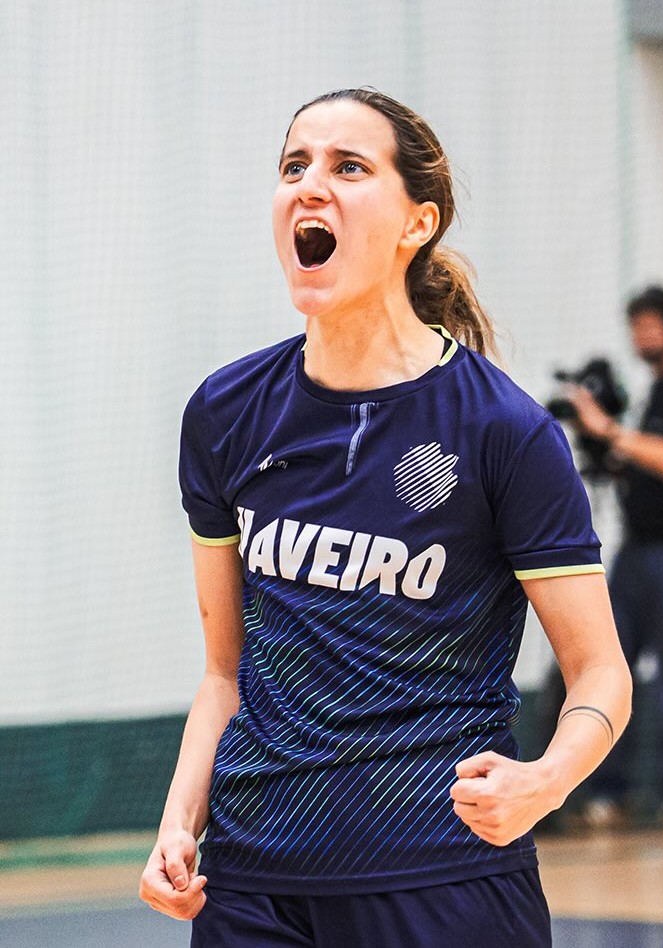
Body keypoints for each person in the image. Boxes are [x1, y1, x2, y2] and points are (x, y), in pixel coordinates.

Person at [138, 87, 632, 948]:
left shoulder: (502, 431)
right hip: (254, 878)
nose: (309, 186)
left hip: (441, 874)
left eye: (348, 167)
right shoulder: (225, 413)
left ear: (416, 224)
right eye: (295, 165)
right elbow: (225, 674)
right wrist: (180, 824)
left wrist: (545, 781)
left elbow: (601, 676)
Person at [564, 285, 663, 828]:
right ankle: (610, 790)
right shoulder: (652, 394)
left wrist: (608, 430)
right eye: (637, 328)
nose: (644, 338)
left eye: (652, 326)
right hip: (638, 552)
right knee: (611, 668)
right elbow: (635, 459)